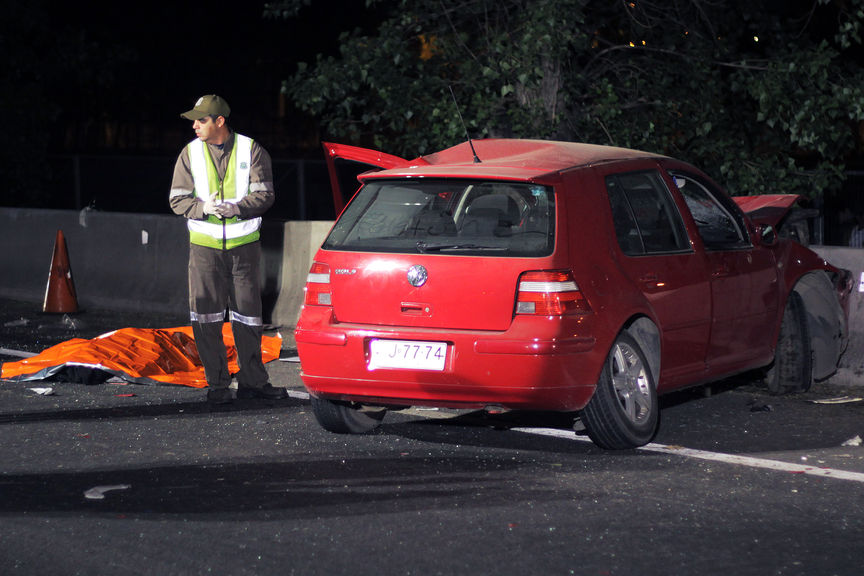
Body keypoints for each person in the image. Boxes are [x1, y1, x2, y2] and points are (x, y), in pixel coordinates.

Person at [169, 94, 287, 404]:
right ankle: (217, 385)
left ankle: (253, 383)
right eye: (194, 120)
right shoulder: (190, 154)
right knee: (206, 318)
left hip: (244, 249)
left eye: (202, 119)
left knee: (248, 317)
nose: (195, 125)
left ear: (220, 121)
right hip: (204, 250)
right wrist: (203, 207)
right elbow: (177, 200)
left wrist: (237, 208)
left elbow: (265, 195)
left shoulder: (252, 150)